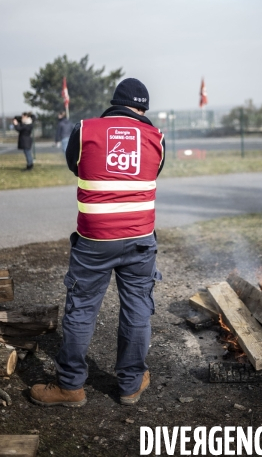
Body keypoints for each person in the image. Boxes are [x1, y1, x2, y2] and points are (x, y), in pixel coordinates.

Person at [30, 78, 165, 407]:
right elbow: (154, 172)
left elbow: (75, 166)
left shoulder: (84, 129)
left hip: (95, 240)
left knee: (82, 310)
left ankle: (70, 387)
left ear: (114, 102)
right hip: (140, 239)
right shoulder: (156, 137)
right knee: (137, 311)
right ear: (142, 108)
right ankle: (131, 385)